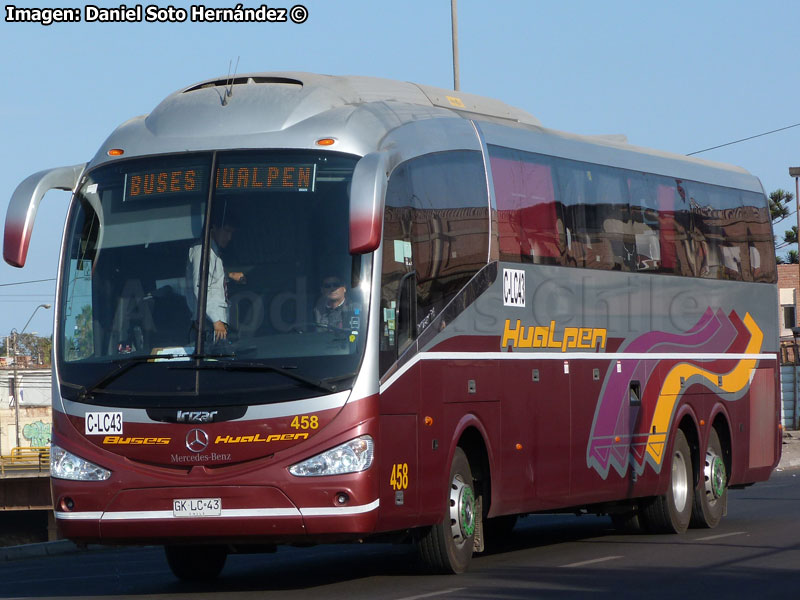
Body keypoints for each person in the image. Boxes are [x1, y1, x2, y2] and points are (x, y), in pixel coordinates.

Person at [186, 217, 245, 342]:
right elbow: (200, 287)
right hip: (210, 323)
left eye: (231, 233)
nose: (229, 238)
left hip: (216, 322)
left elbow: (211, 279)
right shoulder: (202, 251)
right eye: (226, 231)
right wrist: (216, 320)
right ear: (213, 229)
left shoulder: (213, 250)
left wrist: (228, 275)